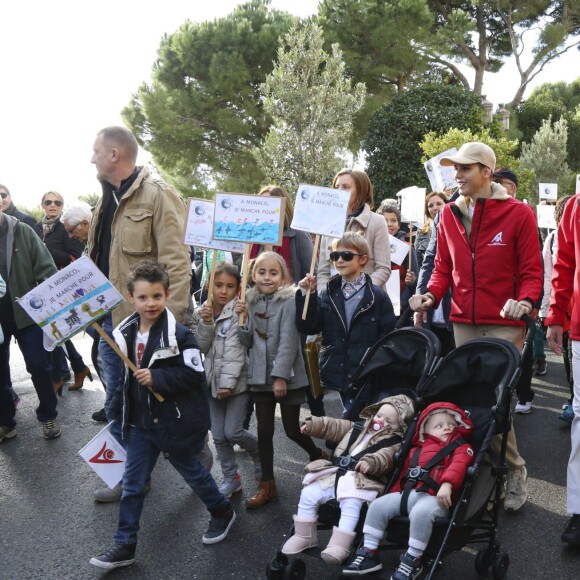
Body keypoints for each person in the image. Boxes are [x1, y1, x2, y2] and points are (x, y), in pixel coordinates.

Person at [410, 142, 542, 513]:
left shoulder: (518, 214)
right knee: (472, 401)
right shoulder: (448, 214)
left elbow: (533, 271)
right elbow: (441, 268)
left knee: (495, 400)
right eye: (455, 169)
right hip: (461, 322)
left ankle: (513, 471)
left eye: (465, 169)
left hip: (505, 322)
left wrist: (527, 302)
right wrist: (429, 297)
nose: (457, 175)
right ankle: (487, 475)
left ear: (486, 172)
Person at [90, 260, 235, 570]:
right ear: (131, 297)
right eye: (143, 297)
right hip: (140, 423)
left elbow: (195, 375)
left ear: (166, 294)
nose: (150, 303)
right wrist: (117, 412)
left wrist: (159, 379)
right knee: (132, 484)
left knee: (193, 473)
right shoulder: (123, 332)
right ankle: (125, 544)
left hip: (173, 421)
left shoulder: (180, 336)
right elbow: (121, 382)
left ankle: (222, 510)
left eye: (156, 296)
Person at [87, 126, 195, 501]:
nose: (92, 158)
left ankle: (187, 455)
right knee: (120, 400)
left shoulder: (159, 195)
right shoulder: (105, 199)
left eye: (96, 151)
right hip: (108, 320)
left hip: (142, 325)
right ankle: (133, 475)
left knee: (132, 400)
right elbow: (96, 259)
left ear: (115, 154)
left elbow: (177, 267)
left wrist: (170, 330)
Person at [236, 252, 326, 509]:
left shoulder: (290, 300)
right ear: (253, 275)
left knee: (291, 429)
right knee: (263, 431)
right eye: (262, 272)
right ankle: (268, 485)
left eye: (273, 273)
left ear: (283, 276)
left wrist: (280, 377)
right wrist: (241, 321)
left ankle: (316, 453)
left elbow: (289, 341)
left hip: (287, 376)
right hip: (258, 375)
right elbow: (248, 342)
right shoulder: (249, 301)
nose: (267, 277)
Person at [343, 403, 474, 577]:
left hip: (435, 499)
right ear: (425, 430)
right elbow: (403, 476)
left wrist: (447, 484)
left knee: (421, 513)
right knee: (378, 505)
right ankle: (369, 551)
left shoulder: (461, 448)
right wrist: (395, 494)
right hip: (408, 494)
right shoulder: (415, 450)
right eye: (439, 426)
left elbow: (458, 466)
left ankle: (413, 559)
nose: (447, 428)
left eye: (451, 424)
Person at [282, 395, 414, 565]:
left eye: (389, 420)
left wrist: (371, 462)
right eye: (379, 415)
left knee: (350, 504)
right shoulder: (358, 427)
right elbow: (334, 426)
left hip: (363, 482)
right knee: (309, 493)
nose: (381, 421)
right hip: (337, 474)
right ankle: (303, 535)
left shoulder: (394, 443)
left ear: (399, 427)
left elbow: (386, 457)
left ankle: (339, 546)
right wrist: (314, 424)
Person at [296, 233, 395, 413]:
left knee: (352, 420)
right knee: (351, 419)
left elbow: (387, 338)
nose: (339, 260)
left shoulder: (377, 297)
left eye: (347, 255)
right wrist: (306, 296)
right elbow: (310, 326)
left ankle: (339, 439)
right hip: (338, 368)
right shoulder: (327, 293)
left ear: (363, 259)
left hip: (366, 371)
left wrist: (379, 369)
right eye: (335, 256)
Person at [250, 184, 325, 417]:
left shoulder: (297, 236)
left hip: (290, 310)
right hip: (258, 310)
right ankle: (242, 426)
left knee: (301, 360)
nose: (263, 209)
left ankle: (319, 417)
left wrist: (306, 290)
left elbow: (309, 269)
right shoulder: (250, 238)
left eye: (269, 204)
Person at [192, 262, 261, 498]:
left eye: (229, 286)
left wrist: (226, 385)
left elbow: (237, 350)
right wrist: (206, 322)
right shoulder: (204, 311)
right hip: (211, 383)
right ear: (209, 286)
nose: (223, 291)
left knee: (234, 432)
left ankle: (259, 451)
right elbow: (200, 346)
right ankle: (232, 478)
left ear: (237, 288)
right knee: (219, 436)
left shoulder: (240, 311)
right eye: (218, 285)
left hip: (236, 384)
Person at [0, 200, 61, 441]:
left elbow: (47, 270)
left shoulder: (21, 230)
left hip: (27, 314)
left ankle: (48, 415)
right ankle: (5, 422)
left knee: (38, 365)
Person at [492, 167, 542, 414]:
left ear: (511, 187)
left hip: (517, 306)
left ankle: (524, 395)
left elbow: (534, 266)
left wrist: (531, 301)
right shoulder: (483, 213)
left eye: (498, 181)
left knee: (519, 358)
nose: (492, 185)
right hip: (488, 307)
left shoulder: (523, 214)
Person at [546, 192, 580, 545]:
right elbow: (564, 264)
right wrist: (556, 314)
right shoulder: (576, 206)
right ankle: (579, 510)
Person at [34, 191, 92, 393]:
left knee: (56, 330)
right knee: (55, 331)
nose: (52, 205)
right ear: (42, 204)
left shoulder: (66, 227)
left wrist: (45, 250)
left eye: (57, 202)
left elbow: (74, 258)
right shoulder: (34, 227)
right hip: (40, 288)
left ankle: (60, 374)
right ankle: (77, 367)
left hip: (62, 288)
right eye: (48, 202)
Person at [317, 169, 391, 288]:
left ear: (360, 191)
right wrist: (326, 296)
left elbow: (383, 269)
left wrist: (358, 291)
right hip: (334, 301)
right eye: (337, 187)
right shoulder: (328, 223)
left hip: (367, 300)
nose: (339, 191)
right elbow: (323, 272)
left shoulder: (378, 222)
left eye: (346, 187)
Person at [541, 195, 574, 424]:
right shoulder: (553, 239)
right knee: (570, 363)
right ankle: (574, 399)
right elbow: (552, 276)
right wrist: (551, 313)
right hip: (571, 314)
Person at [412, 192, 455, 355]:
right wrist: (420, 296)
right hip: (431, 291)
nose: (435, 208)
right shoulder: (422, 234)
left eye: (439, 203)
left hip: (452, 296)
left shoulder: (456, 222)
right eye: (430, 205)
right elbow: (426, 264)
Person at [377, 203, 418, 325]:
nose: (389, 224)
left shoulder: (407, 249)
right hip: (377, 304)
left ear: (399, 225)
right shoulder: (371, 247)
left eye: (393, 220)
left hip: (400, 307)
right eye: (385, 220)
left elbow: (416, 278)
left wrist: (412, 280)